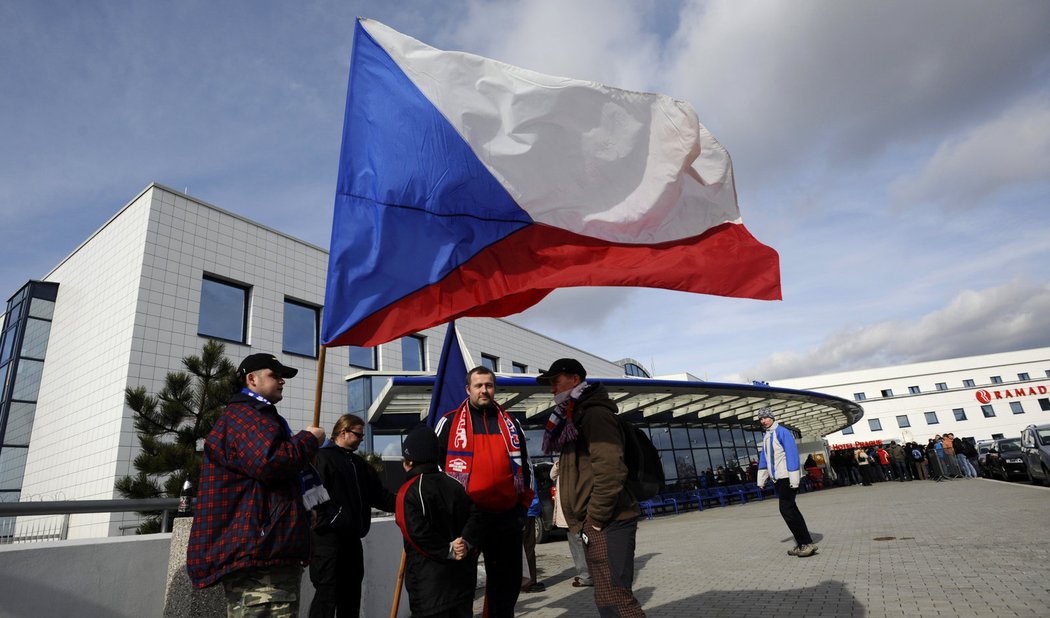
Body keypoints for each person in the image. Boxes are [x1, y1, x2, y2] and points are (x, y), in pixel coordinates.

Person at [187, 353, 326, 617]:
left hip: (265, 551)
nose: (282, 381)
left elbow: (265, 476)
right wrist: (310, 439)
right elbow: (271, 462)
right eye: (274, 375)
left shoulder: (255, 416)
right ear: (251, 379)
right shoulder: (245, 415)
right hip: (259, 556)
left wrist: (301, 509)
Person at [537, 358, 645, 617]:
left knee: (617, 598)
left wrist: (595, 517)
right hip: (599, 522)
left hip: (610, 520)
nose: (552, 388)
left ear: (575, 379)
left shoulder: (594, 413)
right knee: (606, 597)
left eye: (556, 381)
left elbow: (611, 468)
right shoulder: (574, 415)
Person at [435, 366, 533, 618]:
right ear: (468, 389)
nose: (484, 390)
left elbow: (527, 465)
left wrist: (522, 509)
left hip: (506, 516)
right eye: (478, 385)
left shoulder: (511, 424)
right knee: (462, 585)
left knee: (506, 584)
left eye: (488, 385)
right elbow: (436, 469)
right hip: (467, 518)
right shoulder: (448, 422)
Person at [309, 414, 396, 618]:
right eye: (358, 434)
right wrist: (330, 521)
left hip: (352, 542)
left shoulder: (359, 464)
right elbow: (313, 498)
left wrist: (405, 503)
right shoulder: (322, 458)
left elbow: (379, 495)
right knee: (326, 596)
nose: (361, 439)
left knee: (351, 597)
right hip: (327, 541)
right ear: (343, 432)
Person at [396, 424, 482, 618]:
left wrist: (448, 549)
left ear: (409, 461)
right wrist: (464, 543)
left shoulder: (408, 491)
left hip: (429, 588)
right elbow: (475, 516)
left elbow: (415, 533)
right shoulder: (455, 484)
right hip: (462, 582)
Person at [756, 408, 817, 558]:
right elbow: (764, 457)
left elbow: (792, 454)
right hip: (777, 478)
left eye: (765, 417)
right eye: (761, 419)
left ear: (772, 417)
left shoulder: (782, 432)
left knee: (787, 510)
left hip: (786, 476)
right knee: (791, 509)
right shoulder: (767, 436)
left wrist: (794, 478)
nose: (763, 421)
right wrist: (762, 478)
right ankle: (803, 543)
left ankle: (806, 543)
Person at [550, 459, 592, 588]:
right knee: (579, 542)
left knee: (579, 543)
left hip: (575, 511)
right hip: (570, 512)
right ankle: (588, 575)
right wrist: (558, 465)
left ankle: (586, 576)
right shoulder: (562, 463)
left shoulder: (579, 462)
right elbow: (552, 475)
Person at [521, 469, 546, 593]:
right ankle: (529, 582)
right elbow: (531, 489)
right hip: (527, 511)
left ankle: (525, 581)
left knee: (522, 548)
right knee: (528, 547)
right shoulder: (525, 465)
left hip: (521, 510)